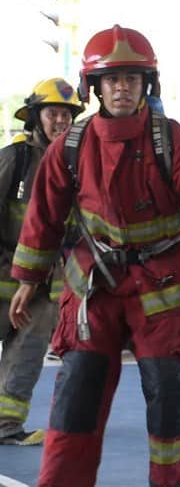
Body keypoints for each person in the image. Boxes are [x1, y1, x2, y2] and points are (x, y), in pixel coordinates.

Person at [9, 24, 180, 487]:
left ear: (147, 85)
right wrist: (27, 281)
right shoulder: (70, 148)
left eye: (132, 79)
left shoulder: (174, 142)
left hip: (164, 291)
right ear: (94, 87)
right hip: (93, 290)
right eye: (112, 79)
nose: (121, 88)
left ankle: (174, 482)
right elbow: (43, 217)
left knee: (168, 393)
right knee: (76, 392)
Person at [0, 78, 83, 446]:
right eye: (53, 113)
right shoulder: (15, 159)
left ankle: (6, 426)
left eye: (67, 114)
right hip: (4, 278)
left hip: (46, 286)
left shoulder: (74, 163)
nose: (60, 121)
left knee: (26, 359)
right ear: (36, 117)